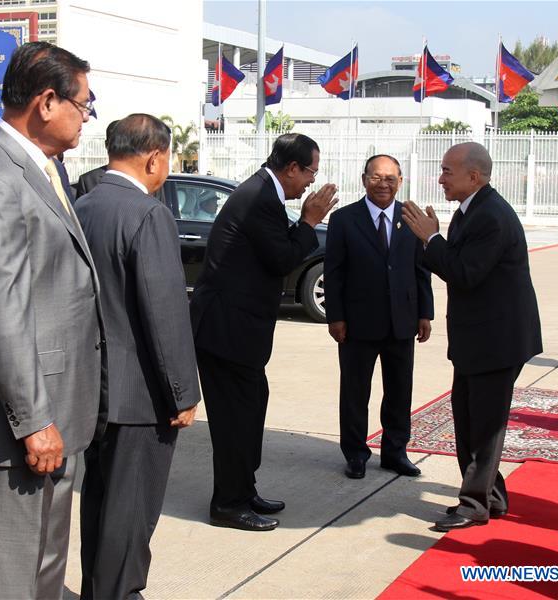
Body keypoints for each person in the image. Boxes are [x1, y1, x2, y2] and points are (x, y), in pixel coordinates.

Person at [0, 41, 105, 599]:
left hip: (52, 413)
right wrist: (35, 422)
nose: (88, 117)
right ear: (48, 102)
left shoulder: (39, 169)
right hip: (13, 429)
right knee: (7, 584)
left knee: (44, 578)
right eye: (85, 104)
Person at [75, 114, 200, 600]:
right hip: (142, 393)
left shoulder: (81, 205)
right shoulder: (147, 214)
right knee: (130, 510)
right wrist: (184, 393)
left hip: (94, 386)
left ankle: (98, 589)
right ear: (154, 157)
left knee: (101, 502)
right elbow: (165, 313)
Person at [190, 133, 338, 531]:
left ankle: (243, 489)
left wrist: (304, 222)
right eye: (309, 172)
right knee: (235, 419)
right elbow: (284, 258)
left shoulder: (265, 195)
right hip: (226, 331)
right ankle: (228, 504)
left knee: (251, 409)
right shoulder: (258, 198)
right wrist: (309, 220)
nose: (310, 182)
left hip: (242, 331)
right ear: (291, 168)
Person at [402, 141, 542, 532]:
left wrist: (431, 240)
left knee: (484, 425)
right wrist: (432, 239)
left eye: (448, 170)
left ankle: (474, 503)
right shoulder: (470, 211)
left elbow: (465, 273)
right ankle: (490, 497)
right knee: (468, 418)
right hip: (477, 339)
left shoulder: (490, 216)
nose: (441, 177)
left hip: (497, 340)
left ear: (474, 176)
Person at [324, 155, 434, 480]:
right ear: (364, 179)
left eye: (390, 178)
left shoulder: (411, 218)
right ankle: (355, 453)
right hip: (357, 323)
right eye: (376, 177)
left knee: (400, 390)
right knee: (356, 392)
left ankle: (395, 452)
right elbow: (334, 272)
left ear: (400, 181)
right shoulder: (344, 219)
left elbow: (421, 269)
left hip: (402, 320)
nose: (383, 183)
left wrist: (424, 312)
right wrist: (336, 317)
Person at [74, 119, 119, 198]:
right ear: (106, 144)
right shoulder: (88, 180)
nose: (120, 147)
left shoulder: (142, 178)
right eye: (115, 143)